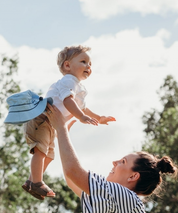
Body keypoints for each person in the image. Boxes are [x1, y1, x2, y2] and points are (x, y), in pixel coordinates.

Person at [44, 104, 178, 213]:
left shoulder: (125, 196)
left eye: (122, 162)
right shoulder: (114, 199)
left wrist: (61, 128)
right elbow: (72, 180)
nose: (114, 162)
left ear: (133, 176)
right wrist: (62, 134)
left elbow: (74, 172)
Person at [22, 45, 116, 200]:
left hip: (50, 123)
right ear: (67, 65)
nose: (88, 66)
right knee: (41, 151)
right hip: (41, 117)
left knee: (49, 155)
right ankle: (37, 182)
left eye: (90, 64)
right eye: (84, 61)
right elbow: (68, 101)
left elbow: (83, 108)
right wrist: (80, 117)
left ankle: (32, 181)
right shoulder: (68, 81)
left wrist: (99, 118)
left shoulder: (78, 86)